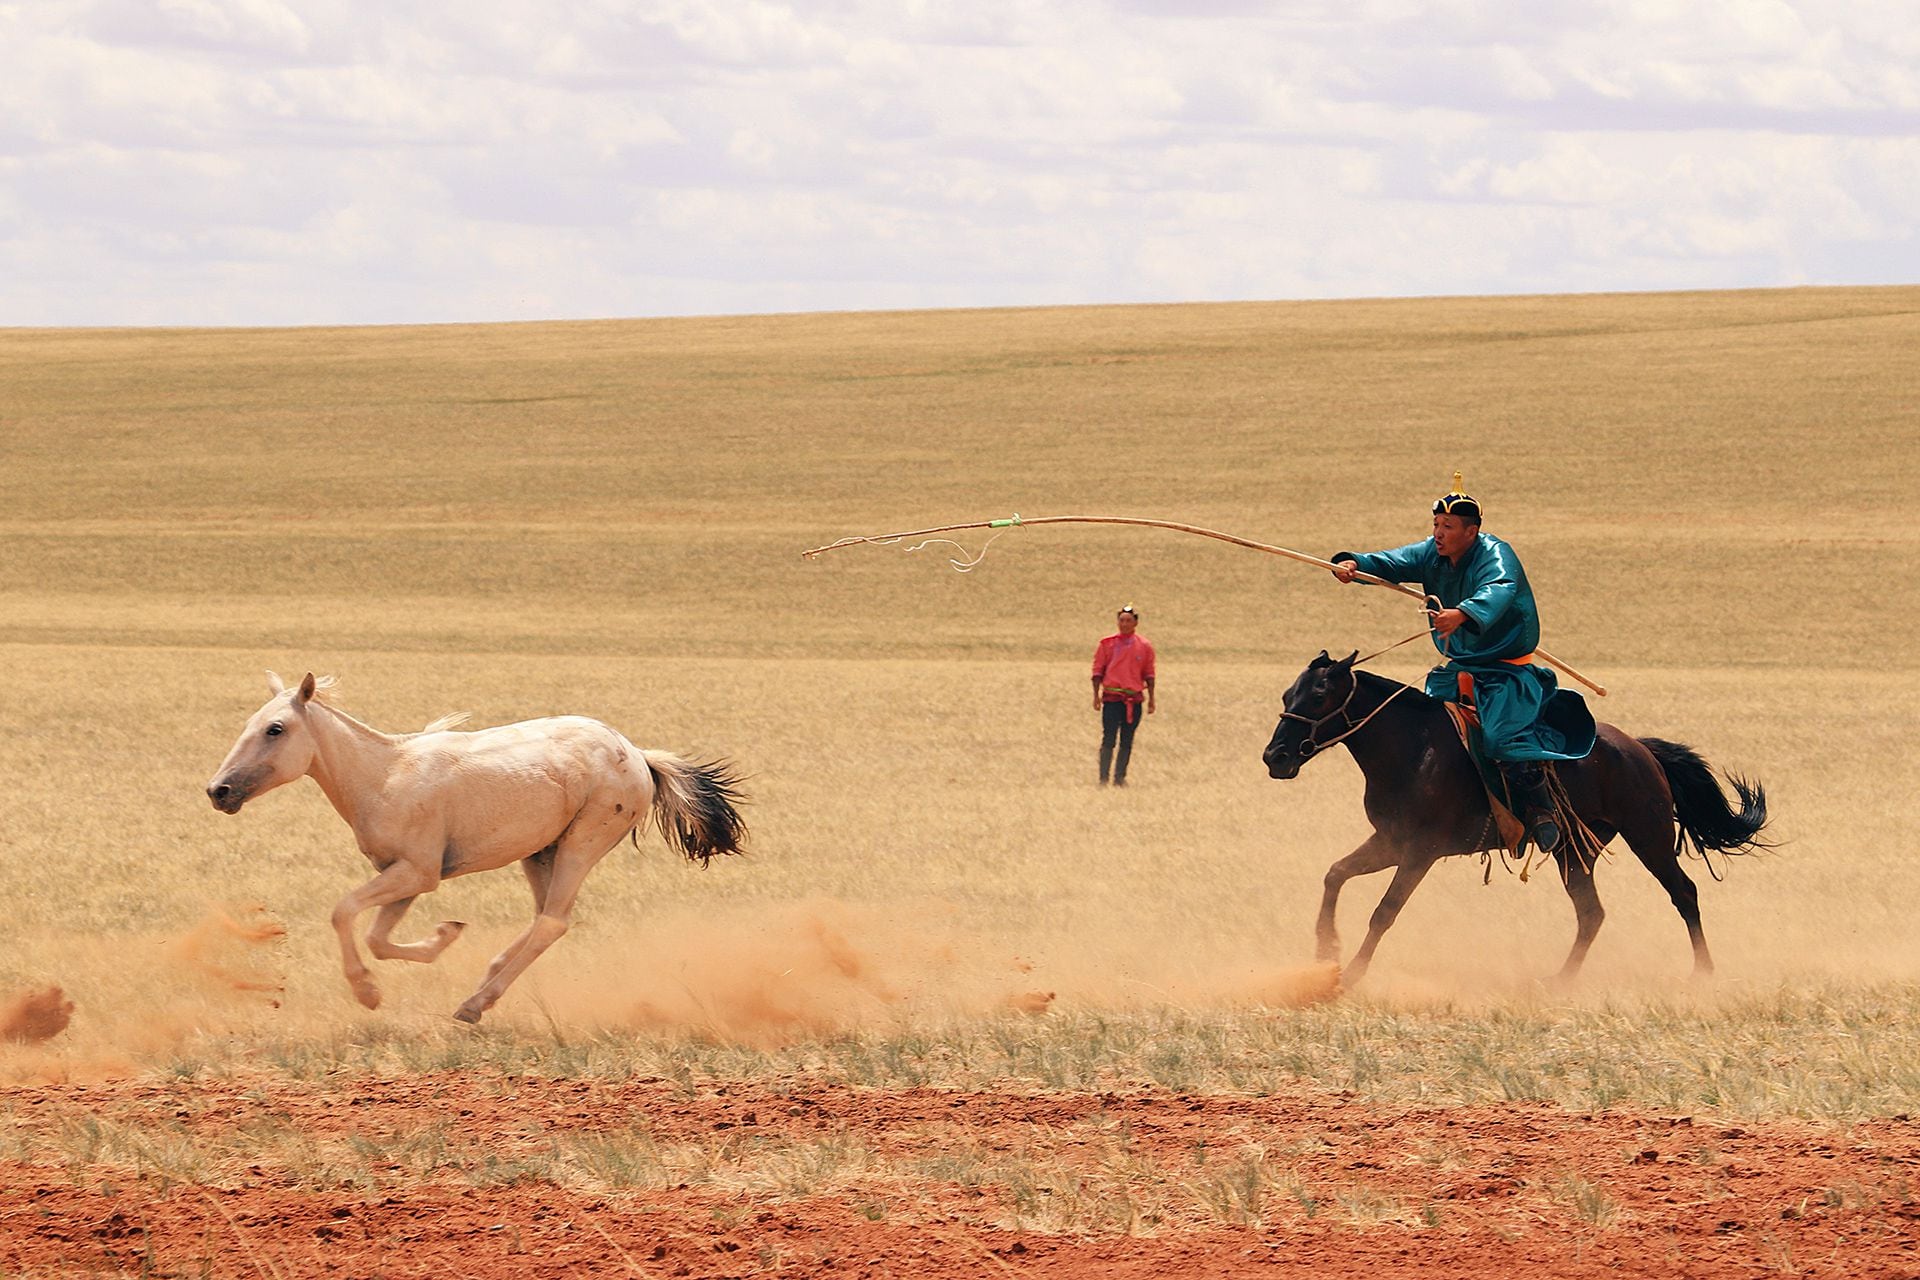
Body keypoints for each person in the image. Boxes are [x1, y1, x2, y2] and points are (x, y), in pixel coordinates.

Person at [1329, 475, 1595, 851]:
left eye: (1447, 527)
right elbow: (1392, 561)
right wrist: (1354, 564)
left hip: (1506, 671)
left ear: (1471, 532)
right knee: (1429, 725)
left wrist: (1463, 614)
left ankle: (1540, 808)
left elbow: (1499, 588)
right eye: (1436, 525)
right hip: (1459, 669)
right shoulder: (1431, 554)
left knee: (1502, 735)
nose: (1438, 533)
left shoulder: (1497, 555)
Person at [1090, 605, 1156, 786]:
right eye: (1121, 620)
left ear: (1136, 623)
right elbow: (1097, 671)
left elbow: (1149, 674)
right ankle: (1103, 778)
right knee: (1108, 739)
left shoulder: (1144, 646)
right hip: (1112, 699)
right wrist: (1096, 696)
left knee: (1127, 740)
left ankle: (1120, 778)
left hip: (1133, 700)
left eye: (1128, 620)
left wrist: (1151, 699)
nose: (1124, 624)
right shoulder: (1107, 644)